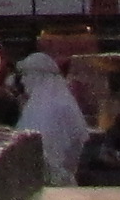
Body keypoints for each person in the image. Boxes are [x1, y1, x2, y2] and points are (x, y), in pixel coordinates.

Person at [13, 53, 91, 187]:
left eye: (26, 75)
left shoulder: (56, 108)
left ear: (38, 76)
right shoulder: (37, 106)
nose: (23, 81)